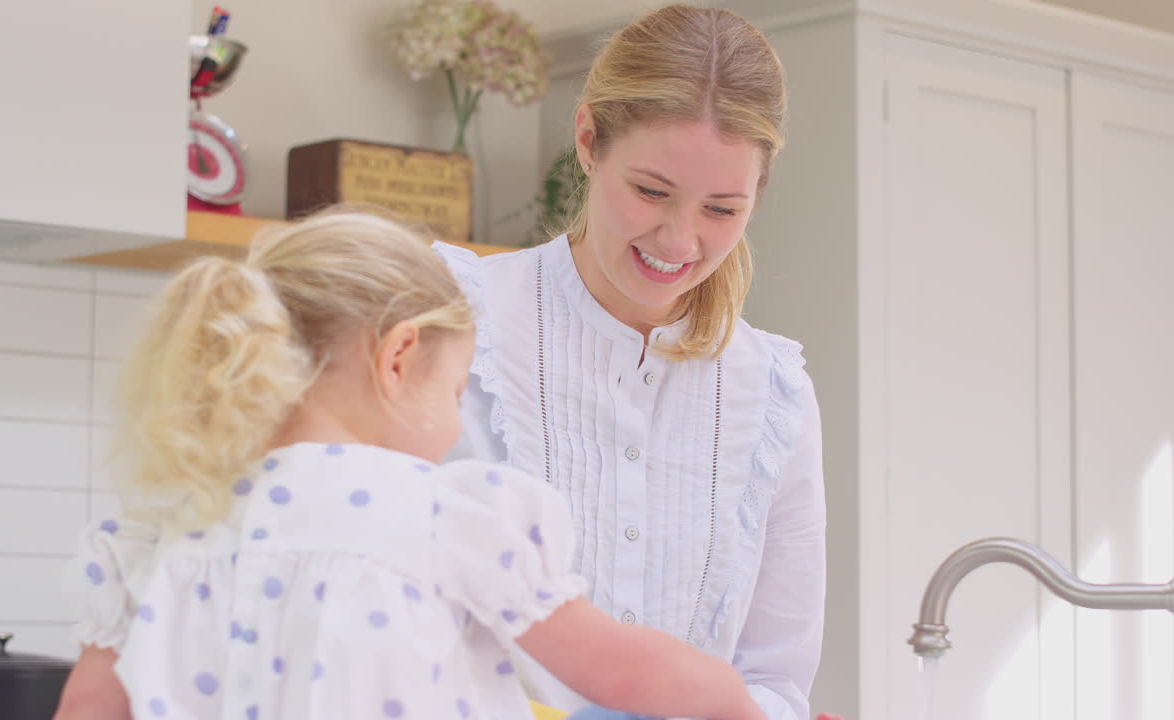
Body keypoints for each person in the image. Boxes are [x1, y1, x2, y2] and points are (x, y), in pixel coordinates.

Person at [56, 3, 827, 719]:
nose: (680, 239)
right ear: (588, 141)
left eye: (723, 209)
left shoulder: (154, 531)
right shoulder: (449, 329)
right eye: (653, 191)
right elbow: (635, 673)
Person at [53, 208, 766, 720]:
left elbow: (89, 708)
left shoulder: (160, 534)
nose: (458, 421)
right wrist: (734, 701)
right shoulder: (443, 519)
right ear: (398, 358)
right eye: (457, 390)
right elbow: (615, 668)